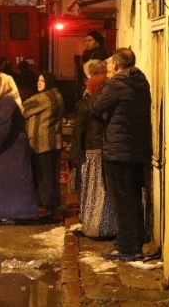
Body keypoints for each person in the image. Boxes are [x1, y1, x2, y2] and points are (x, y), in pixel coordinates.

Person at [91, 48, 152, 261]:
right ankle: (134, 243)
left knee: (121, 201)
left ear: (116, 65)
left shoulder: (115, 84)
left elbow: (96, 109)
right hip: (137, 149)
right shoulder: (141, 82)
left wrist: (106, 117)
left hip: (118, 151)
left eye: (110, 65)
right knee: (134, 199)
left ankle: (127, 247)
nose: (108, 69)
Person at [0, 72, 38, 223]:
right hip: (4, 151)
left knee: (5, 183)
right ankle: (1, 212)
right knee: (2, 182)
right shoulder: (2, 101)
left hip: (8, 152)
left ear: (0, 86)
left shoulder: (7, 102)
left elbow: (3, 126)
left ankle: (7, 212)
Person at [72, 59, 116, 238]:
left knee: (94, 191)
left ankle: (97, 227)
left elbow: (81, 128)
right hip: (103, 149)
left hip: (93, 150)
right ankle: (103, 226)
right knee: (102, 191)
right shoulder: (107, 97)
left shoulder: (91, 100)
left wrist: (75, 152)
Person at [23, 71, 64, 218]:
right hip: (54, 142)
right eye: (38, 80)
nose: (39, 83)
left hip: (40, 143)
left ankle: (46, 204)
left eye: (42, 80)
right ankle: (52, 203)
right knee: (52, 175)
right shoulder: (58, 96)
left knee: (42, 175)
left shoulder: (42, 98)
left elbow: (24, 109)